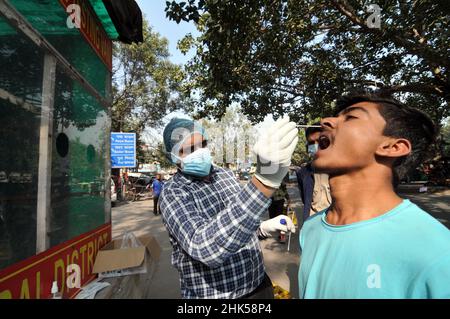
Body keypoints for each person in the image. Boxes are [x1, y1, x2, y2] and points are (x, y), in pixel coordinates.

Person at [298, 91, 450, 299]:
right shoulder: (311, 228)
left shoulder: (437, 252)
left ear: (392, 147)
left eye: (351, 117)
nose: (325, 121)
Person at [159, 117, 297, 299]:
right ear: (174, 157)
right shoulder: (173, 193)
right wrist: (263, 183)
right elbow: (204, 248)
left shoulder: (225, 174)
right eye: (190, 149)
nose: (200, 152)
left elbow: (236, 222)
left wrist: (261, 228)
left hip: (259, 283)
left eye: (203, 144)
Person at [295, 124, 331, 223]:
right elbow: (305, 200)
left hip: (336, 226)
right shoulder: (303, 173)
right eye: (311, 143)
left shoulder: (341, 170)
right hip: (313, 224)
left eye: (320, 141)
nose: (316, 146)